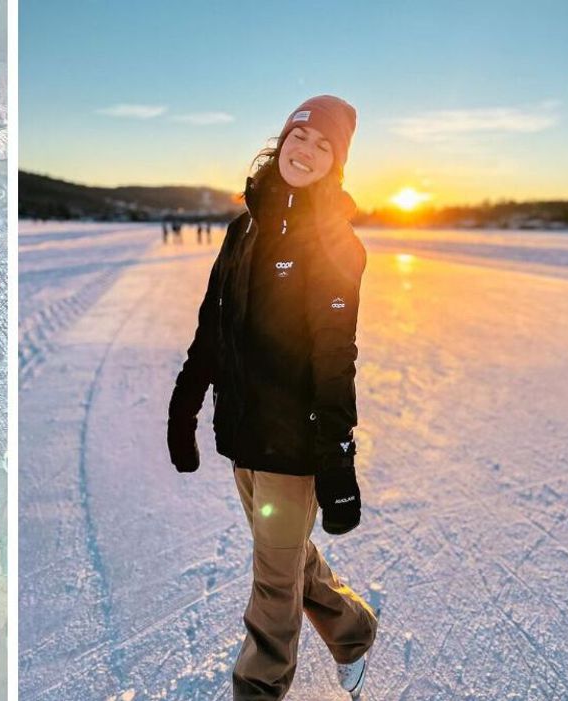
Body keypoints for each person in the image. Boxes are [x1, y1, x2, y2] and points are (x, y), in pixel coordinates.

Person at [166, 95, 379, 700]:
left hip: (295, 444)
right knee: (285, 557)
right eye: (300, 136)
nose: (305, 152)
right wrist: (186, 407)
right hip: (243, 435)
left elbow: (335, 361)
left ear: (336, 163)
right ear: (282, 139)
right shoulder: (245, 228)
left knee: (272, 584)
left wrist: (337, 462)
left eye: (323, 146)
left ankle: (257, 689)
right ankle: (354, 629)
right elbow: (213, 327)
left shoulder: (335, 243)